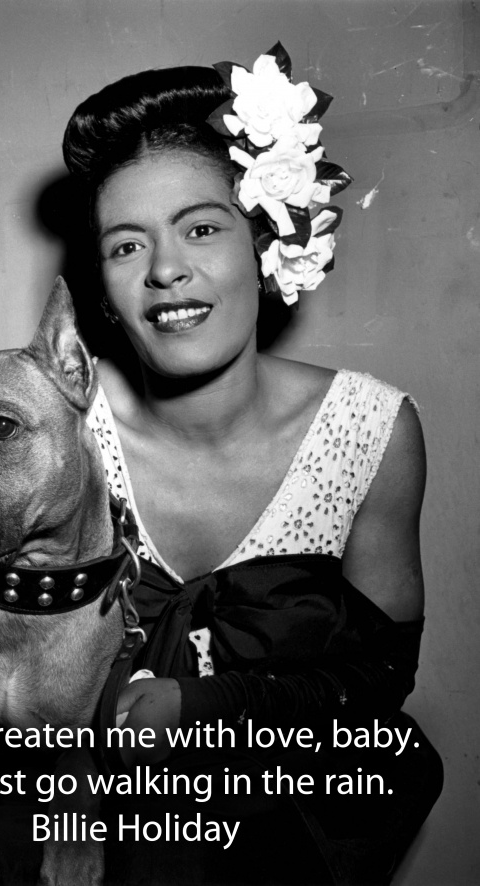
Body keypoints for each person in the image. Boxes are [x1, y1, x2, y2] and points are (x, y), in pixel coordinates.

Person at [59, 46, 443, 884]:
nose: (166, 270)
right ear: (101, 286)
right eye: (126, 246)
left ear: (266, 241)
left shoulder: (371, 431)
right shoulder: (61, 430)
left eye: (201, 228)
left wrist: (207, 707)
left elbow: (381, 676)